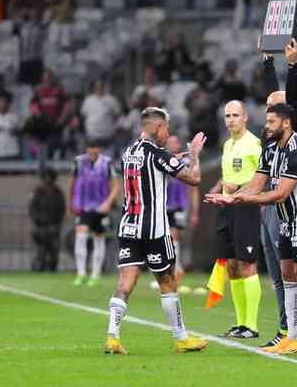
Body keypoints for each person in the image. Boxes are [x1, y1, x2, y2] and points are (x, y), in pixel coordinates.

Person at [206, 103, 297, 355]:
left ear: (286, 123)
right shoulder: (271, 149)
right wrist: (232, 198)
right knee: (288, 276)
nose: (266, 126)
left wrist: (243, 200)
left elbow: (281, 194)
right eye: (266, 121)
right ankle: (291, 336)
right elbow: (257, 183)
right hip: (286, 222)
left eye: (271, 122)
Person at [104, 107, 208, 355]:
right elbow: (194, 179)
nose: (167, 133)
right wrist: (193, 155)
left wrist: (171, 158)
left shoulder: (128, 152)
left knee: (125, 282)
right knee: (167, 281)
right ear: (158, 128)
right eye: (166, 129)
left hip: (129, 225)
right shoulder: (158, 154)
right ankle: (181, 338)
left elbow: (152, 167)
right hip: (154, 229)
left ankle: (112, 337)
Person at [256, 37, 297, 348]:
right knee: (277, 275)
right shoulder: (271, 133)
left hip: (288, 206)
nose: (269, 115)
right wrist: (267, 61)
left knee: (291, 273)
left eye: (275, 110)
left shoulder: (295, 127)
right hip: (269, 206)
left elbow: (293, 99)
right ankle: (287, 328)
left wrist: (292, 66)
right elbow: (274, 95)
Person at [207, 100, 263, 339]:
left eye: (235, 115)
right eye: (227, 115)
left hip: (246, 208)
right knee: (231, 265)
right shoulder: (228, 144)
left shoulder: (254, 144)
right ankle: (240, 323)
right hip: (226, 207)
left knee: (247, 263)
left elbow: (264, 178)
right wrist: (217, 189)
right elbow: (226, 176)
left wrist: (239, 187)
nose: (230, 119)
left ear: (245, 118)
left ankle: (252, 326)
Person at [68, 139, 120, 287]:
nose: (93, 151)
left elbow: (115, 185)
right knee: (81, 236)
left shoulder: (107, 163)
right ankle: (81, 273)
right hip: (83, 206)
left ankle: (95, 275)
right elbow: (72, 184)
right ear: (86, 149)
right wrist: (70, 204)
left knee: (99, 239)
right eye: (90, 148)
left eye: (95, 148)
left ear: (100, 149)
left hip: (100, 207)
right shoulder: (78, 162)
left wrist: (108, 203)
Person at [164, 135, 200, 283]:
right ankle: (173, 269)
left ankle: (176, 270)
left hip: (179, 206)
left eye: (175, 142)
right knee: (166, 238)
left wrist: (195, 212)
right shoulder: (163, 160)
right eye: (170, 142)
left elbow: (194, 188)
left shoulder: (186, 162)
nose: (173, 144)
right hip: (163, 205)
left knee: (173, 235)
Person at [29, 168, 66, 271]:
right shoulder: (37, 192)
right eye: (46, 177)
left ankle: (52, 269)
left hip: (53, 226)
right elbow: (32, 209)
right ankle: (39, 269)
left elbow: (61, 210)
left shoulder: (58, 192)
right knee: (41, 251)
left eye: (50, 177)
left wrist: (57, 224)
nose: (48, 180)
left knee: (54, 251)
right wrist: (37, 222)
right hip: (40, 226)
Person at [80, 79, 122, 148]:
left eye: (101, 86)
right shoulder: (88, 100)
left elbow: (117, 115)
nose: (99, 88)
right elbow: (83, 115)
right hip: (92, 133)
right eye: (97, 86)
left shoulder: (111, 99)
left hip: (107, 133)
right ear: (94, 88)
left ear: (104, 87)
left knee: (107, 156)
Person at [0, 95, 22, 160]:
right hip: (0, 150)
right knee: (0, 169)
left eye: (3, 103)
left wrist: (14, 131)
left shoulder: (14, 116)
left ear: (7, 104)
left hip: (13, 150)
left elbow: (20, 131)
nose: (1, 105)